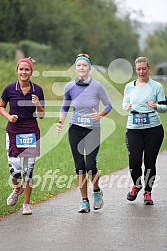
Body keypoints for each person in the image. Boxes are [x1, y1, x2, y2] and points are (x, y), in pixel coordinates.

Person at [56, 53, 112, 213]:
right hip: (75, 129)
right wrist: (60, 121)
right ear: (75, 68)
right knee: (79, 167)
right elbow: (64, 107)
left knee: (90, 165)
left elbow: (109, 105)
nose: (81, 68)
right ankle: (84, 201)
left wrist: (100, 114)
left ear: (89, 68)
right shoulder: (69, 87)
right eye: (78, 65)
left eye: (84, 65)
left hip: (93, 129)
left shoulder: (97, 86)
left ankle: (96, 191)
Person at [0, 57, 45, 215]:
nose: (24, 72)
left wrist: (38, 103)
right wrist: (8, 116)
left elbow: (42, 115)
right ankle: (17, 188)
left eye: (27, 69)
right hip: (13, 131)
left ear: (31, 72)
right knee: (15, 170)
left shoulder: (37, 90)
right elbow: (1, 106)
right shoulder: (9, 89)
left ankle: (26, 204)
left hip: (31, 131)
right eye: (21, 69)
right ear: (17, 71)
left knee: (29, 171)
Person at [122, 57, 167, 205]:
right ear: (136, 70)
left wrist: (156, 106)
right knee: (134, 161)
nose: (141, 71)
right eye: (139, 69)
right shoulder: (129, 87)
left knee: (149, 162)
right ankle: (136, 184)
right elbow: (125, 104)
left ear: (149, 69)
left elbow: (164, 107)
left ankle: (148, 193)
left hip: (153, 129)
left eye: (144, 68)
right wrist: (126, 107)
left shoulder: (156, 87)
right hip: (134, 129)